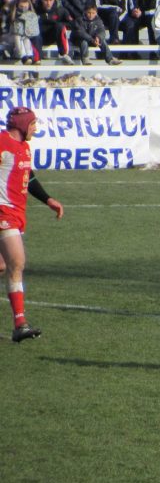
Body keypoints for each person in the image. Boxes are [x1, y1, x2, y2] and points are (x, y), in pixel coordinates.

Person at [0, 107, 64, 343]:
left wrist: (48, 199)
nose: (35, 128)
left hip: (17, 213)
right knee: (17, 262)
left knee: (3, 266)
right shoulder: (2, 142)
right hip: (3, 212)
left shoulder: (24, 148)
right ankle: (20, 324)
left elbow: (30, 177)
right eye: (33, 123)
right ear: (22, 125)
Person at [36, 0, 75, 64]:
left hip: (53, 36)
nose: (48, 3)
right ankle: (37, 59)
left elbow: (71, 23)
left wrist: (54, 22)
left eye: (50, 0)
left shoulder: (60, 10)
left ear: (54, 0)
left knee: (60, 25)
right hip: (39, 36)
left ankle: (64, 54)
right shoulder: (35, 9)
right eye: (46, 0)